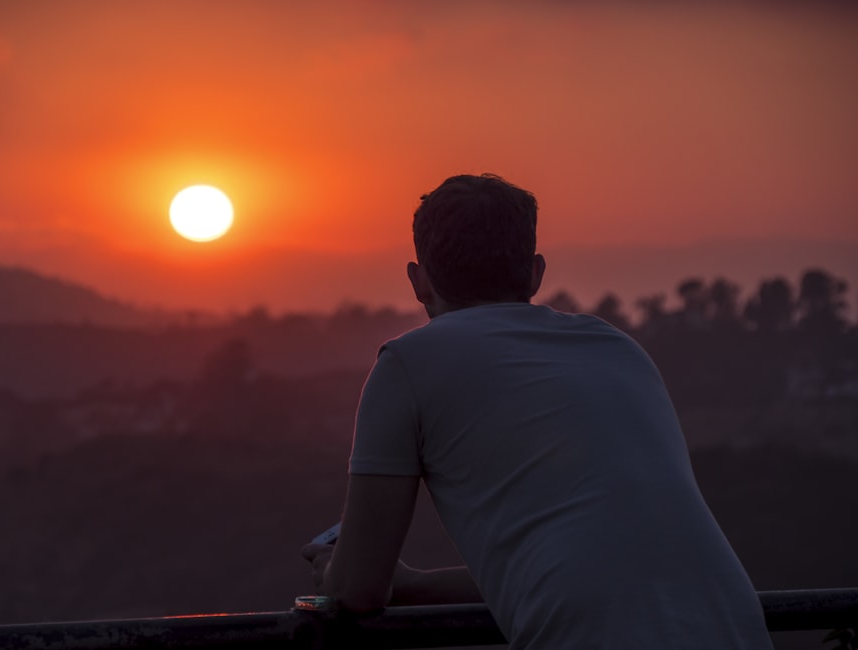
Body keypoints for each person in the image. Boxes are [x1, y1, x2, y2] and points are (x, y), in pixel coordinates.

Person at [301, 173, 773, 649]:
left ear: (418, 280)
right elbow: (588, 566)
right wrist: (413, 585)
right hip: (734, 628)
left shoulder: (407, 364)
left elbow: (356, 591)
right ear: (535, 272)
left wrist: (334, 571)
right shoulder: (615, 348)